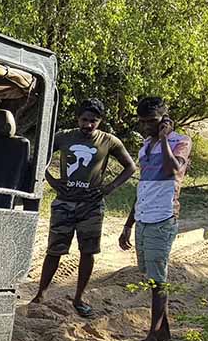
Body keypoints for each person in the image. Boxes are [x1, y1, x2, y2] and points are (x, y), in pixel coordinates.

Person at [31, 99, 136, 316]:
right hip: (64, 202)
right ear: (78, 118)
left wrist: (109, 187)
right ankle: (40, 294)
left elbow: (130, 167)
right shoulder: (64, 137)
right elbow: (39, 157)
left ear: (100, 121)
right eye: (85, 120)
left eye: (93, 121)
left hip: (91, 205)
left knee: (87, 251)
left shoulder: (109, 141)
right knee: (54, 250)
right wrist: (49, 178)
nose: (88, 125)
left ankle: (79, 297)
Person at [119, 96, 191, 341]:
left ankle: (151, 337)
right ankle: (163, 332)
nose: (146, 126)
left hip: (163, 218)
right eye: (143, 122)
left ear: (165, 120)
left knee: (158, 281)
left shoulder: (179, 141)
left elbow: (174, 170)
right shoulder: (145, 145)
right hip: (143, 218)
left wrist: (163, 139)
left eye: (152, 121)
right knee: (150, 278)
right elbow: (144, 187)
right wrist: (129, 223)